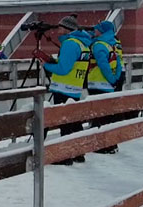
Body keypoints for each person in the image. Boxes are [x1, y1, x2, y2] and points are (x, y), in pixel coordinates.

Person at [43, 15, 92, 165]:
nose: (58, 31)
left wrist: (46, 65)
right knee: (74, 122)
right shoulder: (82, 44)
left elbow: (64, 69)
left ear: (67, 29)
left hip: (63, 88)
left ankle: (65, 156)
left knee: (65, 122)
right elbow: (72, 65)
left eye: (60, 28)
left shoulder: (70, 44)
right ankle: (78, 153)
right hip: (74, 88)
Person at [86, 20, 127, 154]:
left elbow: (103, 65)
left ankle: (101, 145)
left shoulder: (99, 45)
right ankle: (110, 144)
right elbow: (119, 63)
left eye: (97, 29)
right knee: (109, 114)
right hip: (109, 84)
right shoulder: (113, 44)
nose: (94, 30)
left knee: (99, 115)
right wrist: (115, 79)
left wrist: (111, 79)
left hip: (98, 83)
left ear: (102, 31)